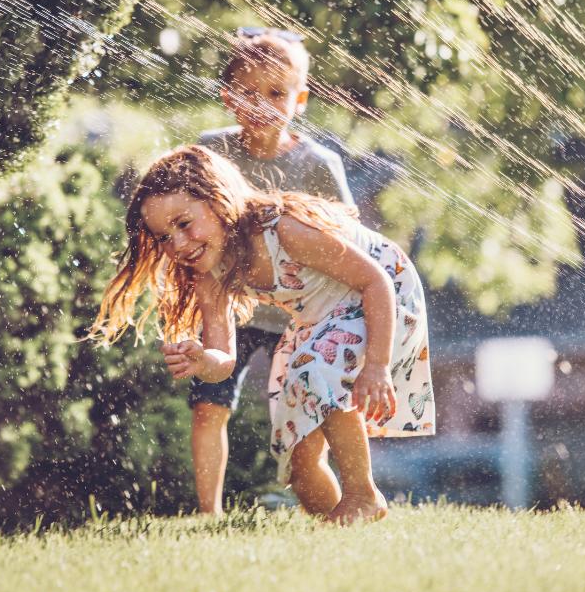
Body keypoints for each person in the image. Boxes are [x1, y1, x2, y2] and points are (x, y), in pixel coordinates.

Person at [91, 145, 435, 524]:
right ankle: (342, 523)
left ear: (217, 200)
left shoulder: (282, 231)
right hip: (318, 321)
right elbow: (224, 360)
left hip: (383, 297)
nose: (179, 245)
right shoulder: (209, 275)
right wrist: (204, 359)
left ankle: (362, 494)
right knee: (297, 453)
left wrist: (377, 366)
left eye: (184, 224)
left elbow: (376, 281)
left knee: (314, 370)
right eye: (163, 237)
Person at [187, 27, 355, 515]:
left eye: (277, 93)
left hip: (299, 319)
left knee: (316, 419)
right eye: (248, 91)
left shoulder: (318, 164)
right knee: (208, 406)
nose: (262, 103)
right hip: (232, 307)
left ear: (300, 100)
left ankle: (344, 499)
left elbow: (346, 237)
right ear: (228, 97)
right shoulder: (211, 151)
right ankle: (208, 514)